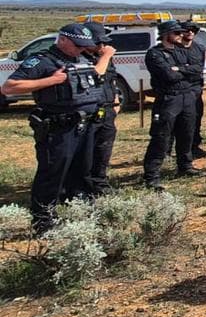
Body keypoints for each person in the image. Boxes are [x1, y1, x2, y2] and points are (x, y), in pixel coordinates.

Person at [1, 24, 106, 232]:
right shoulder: (42, 61)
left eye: (84, 45)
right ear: (63, 40)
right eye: (77, 45)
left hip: (84, 125)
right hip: (58, 128)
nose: (81, 49)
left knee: (81, 171)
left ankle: (78, 212)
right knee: (52, 174)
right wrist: (53, 80)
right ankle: (43, 221)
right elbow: (9, 87)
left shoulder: (82, 58)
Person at [142, 20, 204, 189]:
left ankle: (185, 166)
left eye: (180, 33)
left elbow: (197, 70)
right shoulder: (155, 54)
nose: (181, 36)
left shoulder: (182, 51)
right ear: (165, 35)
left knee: (187, 133)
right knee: (161, 137)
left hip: (187, 97)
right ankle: (152, 176)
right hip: (168, 99)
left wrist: (180, 69)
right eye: (176, 33)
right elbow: (169, 76)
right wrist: (182, 70)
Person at [85, 22, 119, 195]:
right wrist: (104, 57)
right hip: (88, 113)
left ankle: (100, 184)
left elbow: (111, 80)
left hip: (107, 111)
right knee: (86, 154)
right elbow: (94, 74)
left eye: (104, 43)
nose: (103, 47)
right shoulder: (81, 59)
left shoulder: (106, 58)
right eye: (99, 43)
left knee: (103, 151)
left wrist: (116, 100)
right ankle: (83, 188)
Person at [178, 22, 206, 158]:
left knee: (196, 117)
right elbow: (171, 72)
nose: (190, 32)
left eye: (194, 30)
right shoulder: (175, 49)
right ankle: (169, 149)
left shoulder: (200, 49)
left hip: (196, 89)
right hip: (179, 90)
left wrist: (183, 69)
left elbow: (199, 68)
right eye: (187, 30)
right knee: (175, 121)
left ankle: (194, 146)